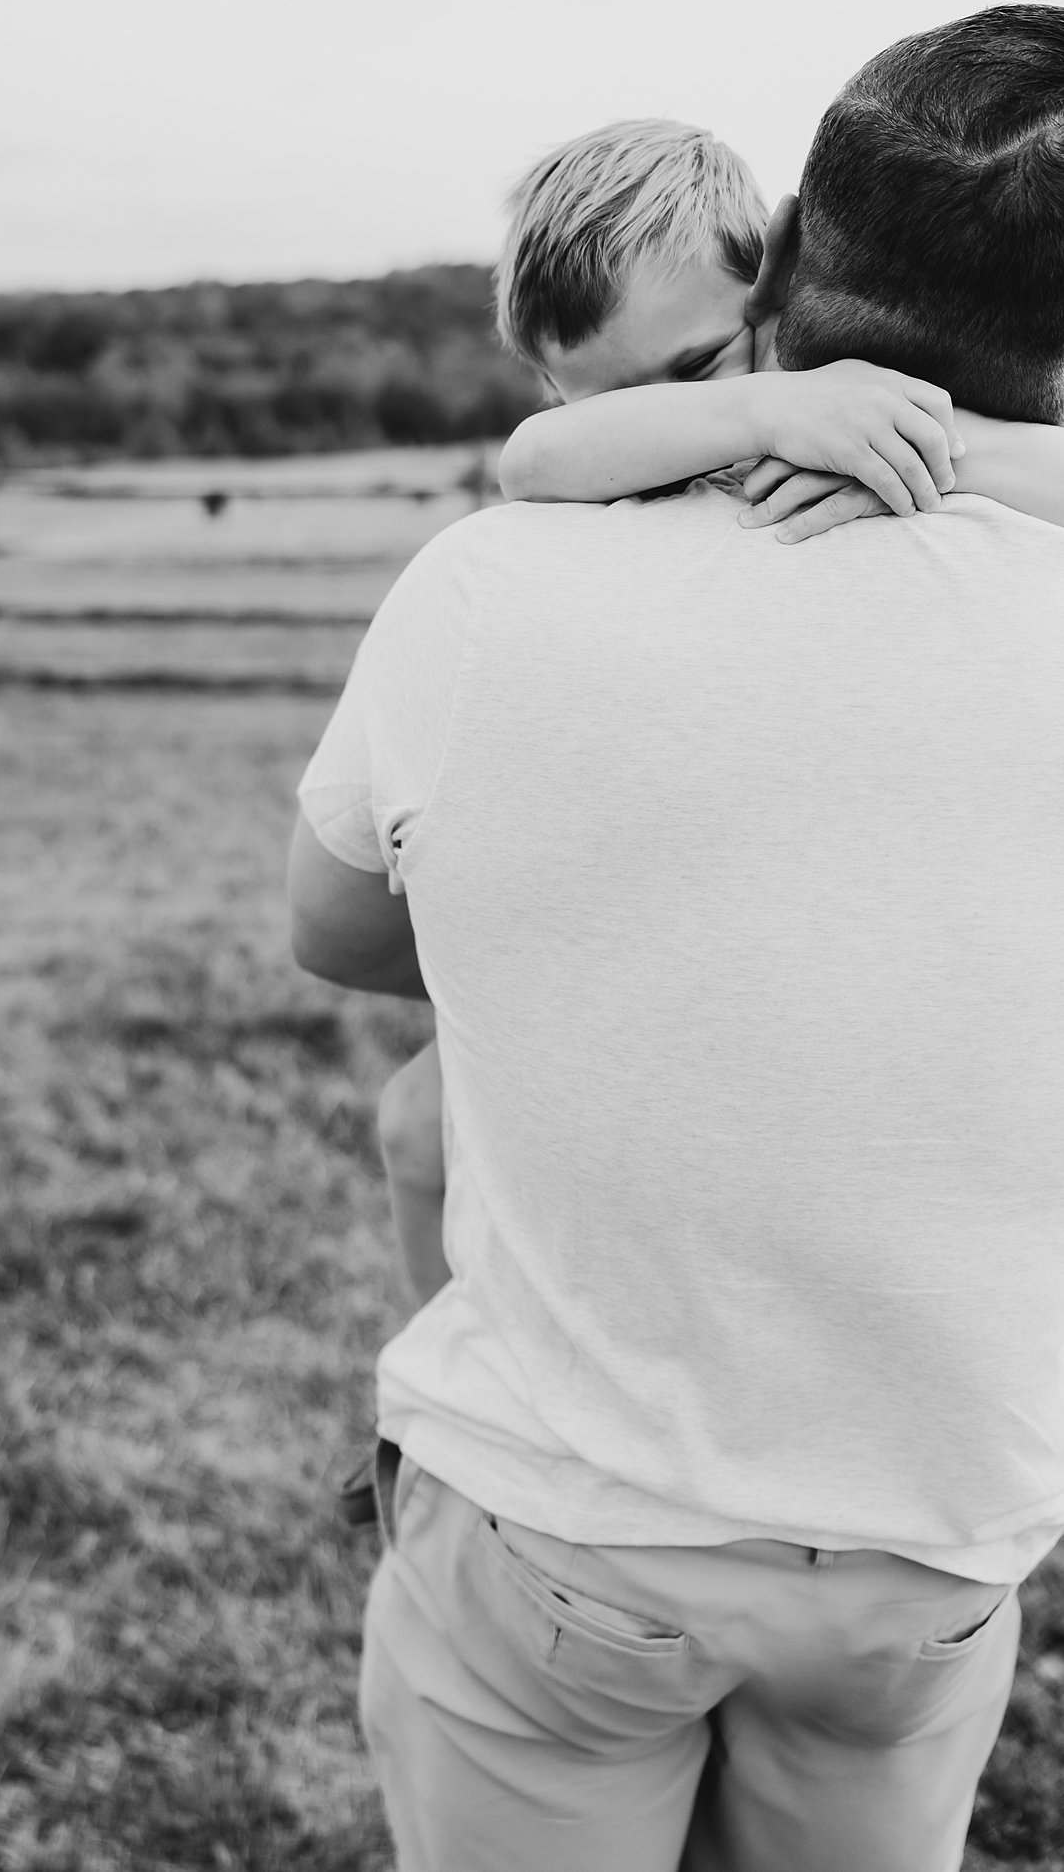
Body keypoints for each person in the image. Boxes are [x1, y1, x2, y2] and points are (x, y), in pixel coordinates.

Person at [289, 4, 1064, 1871]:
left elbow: (333, 933)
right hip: (927, 1532)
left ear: (792, 265)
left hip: (573, 1527)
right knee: (421, 1132)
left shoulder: (493, 598)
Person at [374, 117, 1064, 1320]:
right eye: (617, 402)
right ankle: (443, 1345)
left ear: (776, 278)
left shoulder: (872, 391)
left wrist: (925, 448)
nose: (669, 432)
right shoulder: (696, 432)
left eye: (702, 369)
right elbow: (534, 462)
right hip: (626, 934)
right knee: (416, 1123)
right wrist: (750, 416)